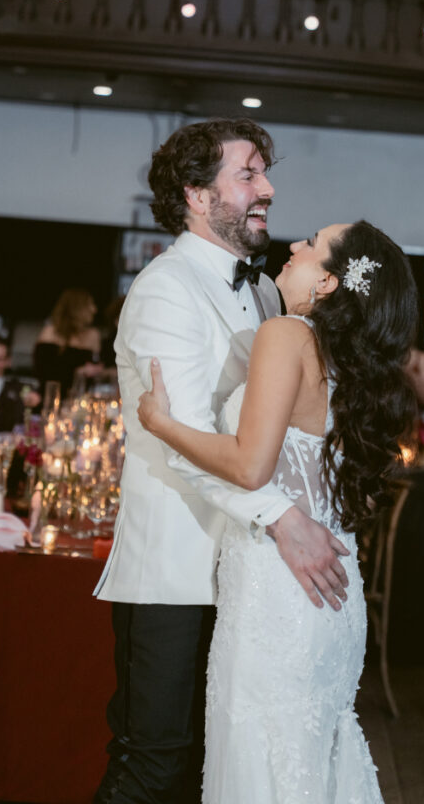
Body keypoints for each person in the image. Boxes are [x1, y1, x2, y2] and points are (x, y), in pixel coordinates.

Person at [93, 118, 352, 804]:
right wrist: (281, 518)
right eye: (247, 174)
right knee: (155, 764)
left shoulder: (267, 293)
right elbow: (178, 440)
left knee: (216, 767)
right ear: (196, 196)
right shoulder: (163, 289)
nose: (266, 188)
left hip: (245, 580)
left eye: (264, 173)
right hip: (176, 571)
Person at [138, 219, 418, 804]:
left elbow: (248, 467)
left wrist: (163, 424)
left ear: (329, 284)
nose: (294, 246)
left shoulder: (287, 335)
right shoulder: (353, 368)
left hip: (277, 598)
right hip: (333, 600)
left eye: (311, 245)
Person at [33, 288, 102, 397]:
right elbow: (43, 373)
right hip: (51, 398)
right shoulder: (50, 332)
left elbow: (97, 368)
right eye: (90, 304)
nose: (94, 309)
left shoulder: (93, 335)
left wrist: (97, 370)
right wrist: (78, 372)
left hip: (81, 401)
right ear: (77, 308)